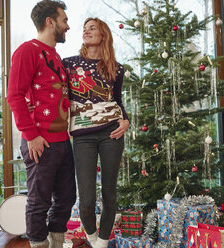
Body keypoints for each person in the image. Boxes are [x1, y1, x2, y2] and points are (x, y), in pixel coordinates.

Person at [7, 1, 76, 247]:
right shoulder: (28, 50)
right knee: (39, 201)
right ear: (50, 21)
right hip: (40, 141)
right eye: (64, 20)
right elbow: (14, 95)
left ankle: (56, 243)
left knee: (67, 198)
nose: (68, 26)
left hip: (62, 141)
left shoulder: (55, 56)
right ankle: (38, 244)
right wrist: (31, 135)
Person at [62, 18, 129, 248]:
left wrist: (127, 120)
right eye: (84, 28)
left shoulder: (116, 68)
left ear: (104, 35)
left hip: (112, 132)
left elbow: (118, 100)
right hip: (82, 136)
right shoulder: (68, 64)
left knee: (109, 192)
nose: (86, 31)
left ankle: (102, 241)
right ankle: (91, 235)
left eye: (92, 28)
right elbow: (58, 93)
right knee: (87, 198)